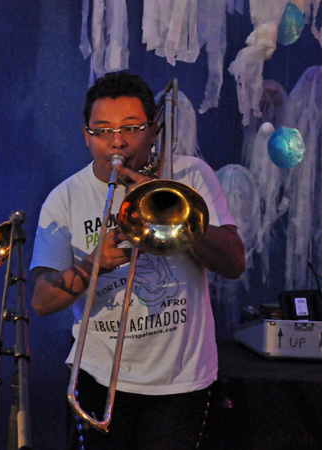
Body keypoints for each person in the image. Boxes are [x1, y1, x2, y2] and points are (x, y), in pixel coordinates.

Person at [30, 72, 245, 450]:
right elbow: (42, 300)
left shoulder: (191, 175)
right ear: (86, 135)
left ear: (154, 130)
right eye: (103, 130)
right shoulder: (64, 198)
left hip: (183, 381)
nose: (117, 142)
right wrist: (90, 266)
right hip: (100, 377)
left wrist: (169, 212)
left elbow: (234, 261)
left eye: (131, 128)